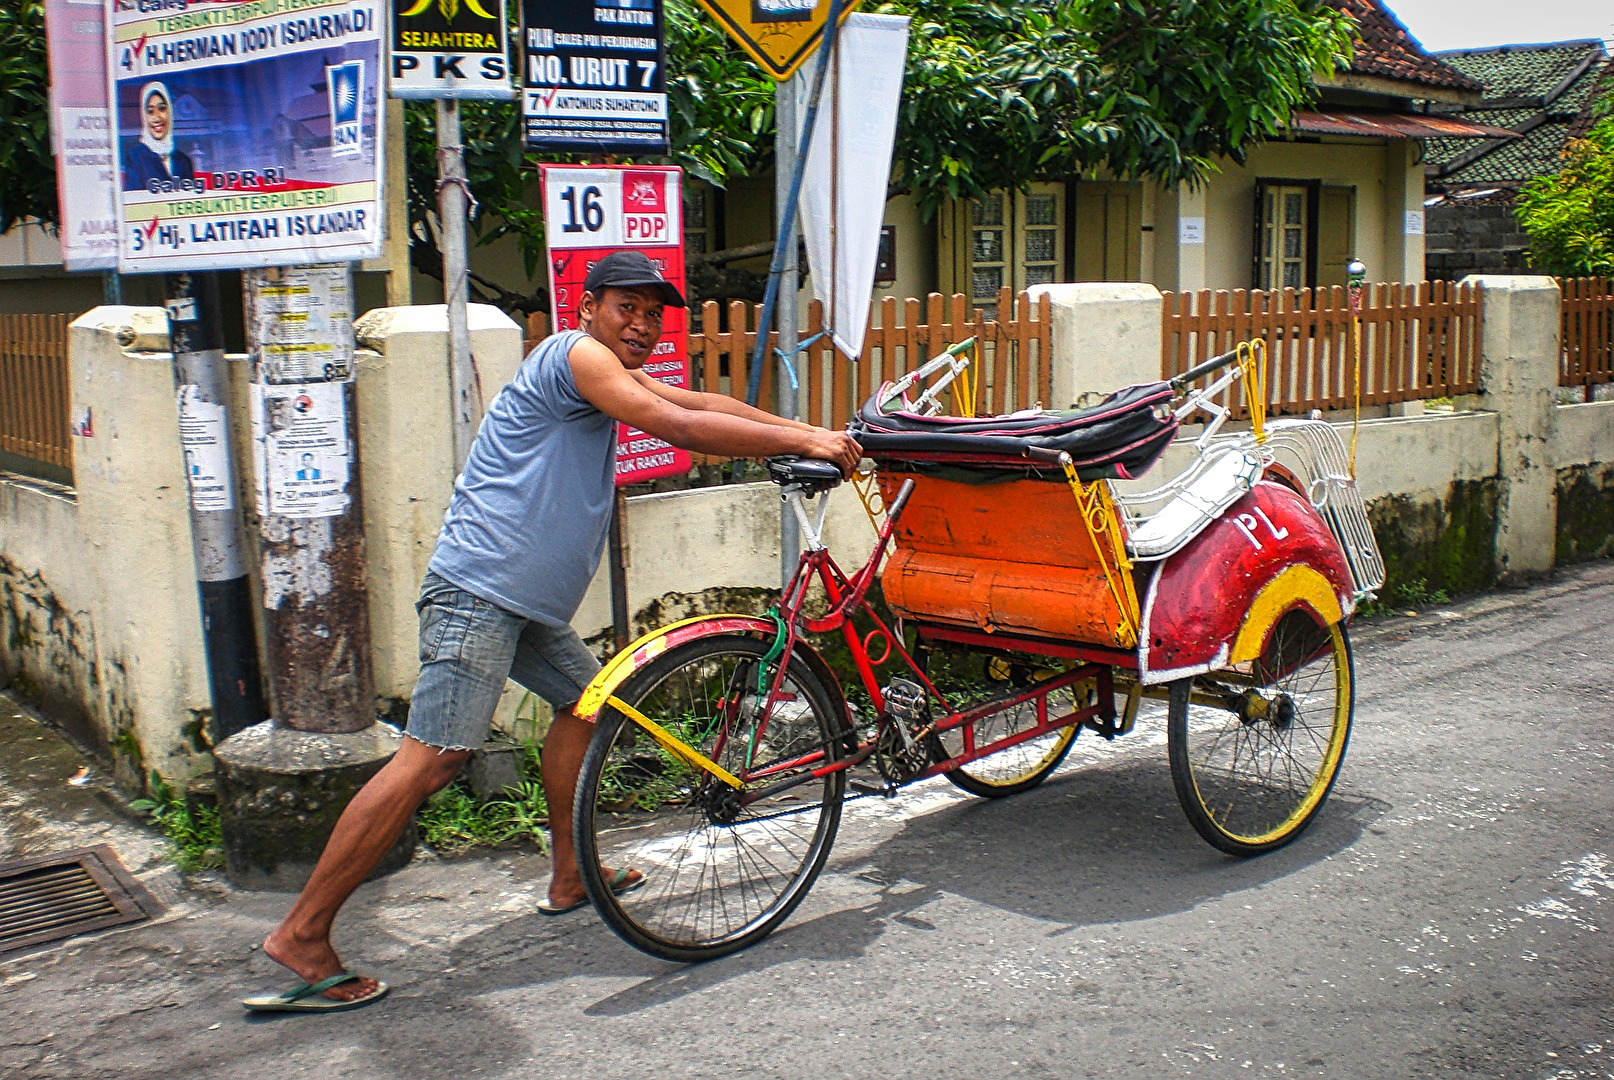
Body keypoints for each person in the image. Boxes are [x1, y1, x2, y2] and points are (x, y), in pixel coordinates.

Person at [245, 251, 860, 1012]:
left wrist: (810, 429)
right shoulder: (574, 355)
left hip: (521, 603)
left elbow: (698, 399)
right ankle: (303, 933)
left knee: (589, 707)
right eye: (625, 308)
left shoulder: (605, 368)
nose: (641, 324)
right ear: (590, 308)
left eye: (652, 313)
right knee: (431, 762)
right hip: (481, 591)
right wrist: (803, 446)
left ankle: (570, 874)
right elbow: (675, 424)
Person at [123, 82, 194, 191]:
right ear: (144, 116)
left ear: (169, 112)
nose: (157, 118)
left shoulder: (183, 161)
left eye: (161, 109)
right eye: (150, 111)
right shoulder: (135, 157)